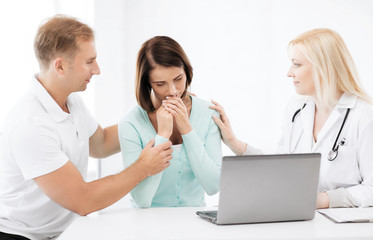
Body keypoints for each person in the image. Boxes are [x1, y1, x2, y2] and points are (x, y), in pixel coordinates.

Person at [0, 15, 173, 240]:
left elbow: (100, 143)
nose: (97, 69)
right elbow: (83, 200)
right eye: (89, 62)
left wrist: (155, 116)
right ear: (60, 66)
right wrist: (143, 168)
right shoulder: (30, 126)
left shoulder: (70, 101)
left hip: (64, 231)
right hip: (23, 236)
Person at [210, 28, 373, 209]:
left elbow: (371, 189)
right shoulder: (296, 109)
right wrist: (234, 143)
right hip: (299, 220)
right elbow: (280, 168)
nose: (289, 72)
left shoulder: (363, 117)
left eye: (296, 64)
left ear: (322, 68)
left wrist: (322, 200)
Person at [118, 36, 222, 208]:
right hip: (146, 226)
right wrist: (162, 137)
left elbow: (213, 186)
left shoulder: (209, 113)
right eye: (160, 84)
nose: (173, 91)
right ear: (147, 83)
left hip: (194, 224)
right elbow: (142, 200)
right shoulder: (130, 124)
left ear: (187, 71)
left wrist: (187, 130)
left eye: (178, 79)